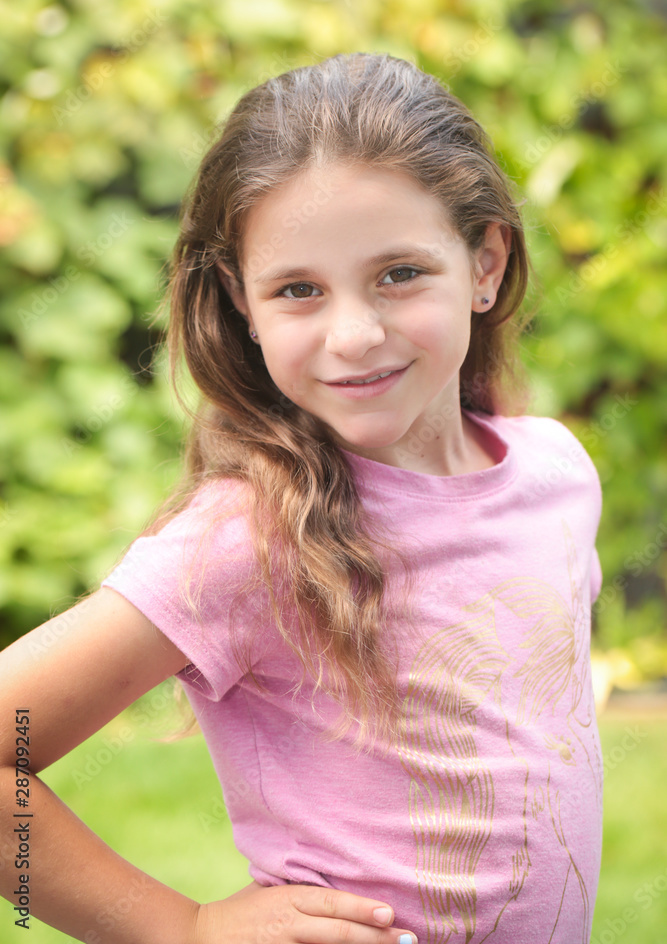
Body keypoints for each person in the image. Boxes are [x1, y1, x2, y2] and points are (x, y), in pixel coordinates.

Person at [0, 52, 604, 944]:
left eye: (399, 273)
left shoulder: (554, 474)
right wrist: (180, 928)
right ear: (243, 306)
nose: (354, 334)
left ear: (483, 260)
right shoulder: (250, 535)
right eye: (298, 291)